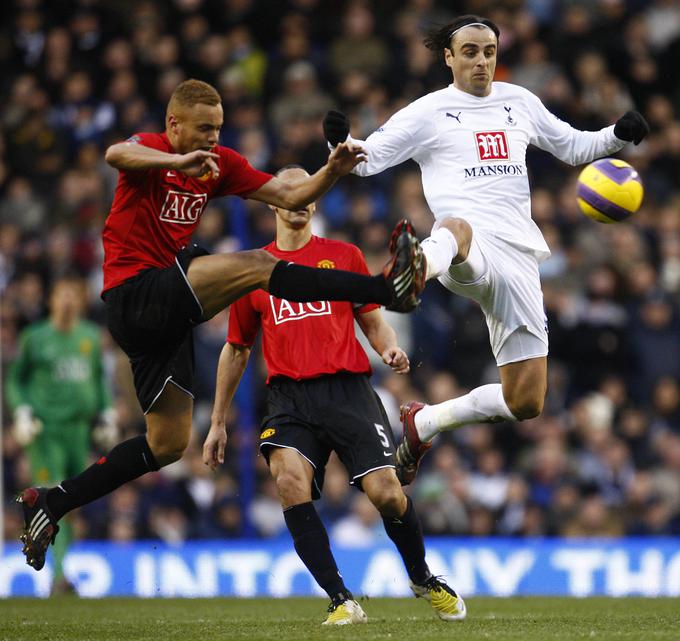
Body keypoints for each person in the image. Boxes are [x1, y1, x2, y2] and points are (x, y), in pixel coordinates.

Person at [16, 78, 426, 572]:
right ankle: (385, 289)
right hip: (134, 293)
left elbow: (291, 195)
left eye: (219, 128)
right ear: (173, 124)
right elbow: (114, 155)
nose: (214, 138)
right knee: (253, 264)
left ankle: (53, 503)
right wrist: (175, 162)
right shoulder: (152, 150)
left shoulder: (220, 165)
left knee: (166, 444)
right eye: (204, 128)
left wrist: (332, 171)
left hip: (165, 319)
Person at [322, 15, 650, 483]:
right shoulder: (428, 111)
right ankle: (414, 270)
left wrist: (618, 135)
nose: (482, 61)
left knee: (525, 402)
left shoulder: (519, 101)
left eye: (490, 52)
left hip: (518, 257)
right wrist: (341, 142)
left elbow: (573, 147)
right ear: (449, 58)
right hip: (464, 248)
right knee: (454, 227)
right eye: (471, 52)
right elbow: (366, 160)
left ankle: (426, 422)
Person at [202, 166, 466, 625]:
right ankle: (340, 597)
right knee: (288, 482)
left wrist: (388, 347)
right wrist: (217, 421)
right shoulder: (252, 270)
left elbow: (370, 318)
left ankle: (421, 576)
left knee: (386, 493)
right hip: (289, 398)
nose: (299, 200)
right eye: (289, 192)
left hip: (348, 389)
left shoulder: (342, 256)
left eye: (308, 192)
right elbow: (237, 349)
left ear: (316, 200)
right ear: (272, 204)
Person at [6, 275, 117, 592]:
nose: (68, 299)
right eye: (62, 293)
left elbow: (98, 380)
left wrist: (107, 412)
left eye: (74, 293)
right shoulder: (35, 338)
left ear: (82, 300)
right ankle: (57, 577)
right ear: (51, 300)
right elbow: (16, 380)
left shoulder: (91, 338)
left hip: (79, 431)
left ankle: (59, 569)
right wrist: (22, 410)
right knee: (52, 495)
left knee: (70, 502)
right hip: (47, 430)